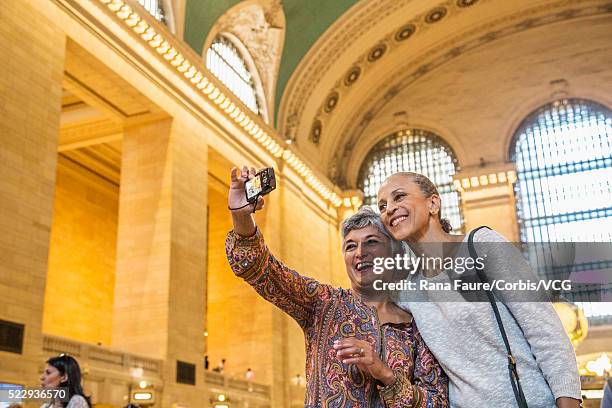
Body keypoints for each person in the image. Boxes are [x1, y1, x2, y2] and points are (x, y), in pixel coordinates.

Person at [226, 166, 448, 407]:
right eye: (351, 246)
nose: (360, 253)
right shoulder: (323, 304)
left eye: (371, 242)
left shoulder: (416, 324)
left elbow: (437, 402)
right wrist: (241, 215)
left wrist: (385, 374)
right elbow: (259, 268)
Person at [376, 171, 582, 408]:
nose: (389, 209)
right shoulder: (408, 289)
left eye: (399, 197)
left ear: (433, 203)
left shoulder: (482, 246)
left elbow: (546, 332)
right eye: (382, 206)